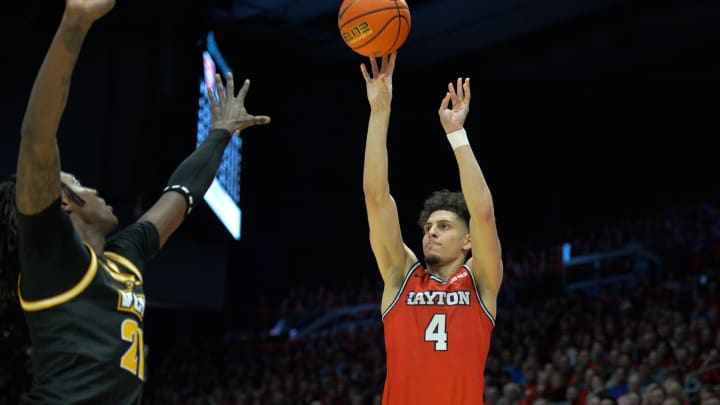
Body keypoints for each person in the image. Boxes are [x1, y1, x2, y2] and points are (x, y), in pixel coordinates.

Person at [0, 0, 270, 403]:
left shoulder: (123, 257)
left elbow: (181, 195)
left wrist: (220, 134)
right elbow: (37, 139)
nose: (93, 189)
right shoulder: (51, 259)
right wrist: (73, 23)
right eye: (79, 184)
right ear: (64, 205)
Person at [360, 52, 503, 404]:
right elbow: (376, 197)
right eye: (427, 228)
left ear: (468, 241)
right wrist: (379, 113)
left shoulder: (481, 281)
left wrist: (457, 136)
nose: (430, 233)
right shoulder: (400, 276)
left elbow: (483, 213)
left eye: (443, 226)